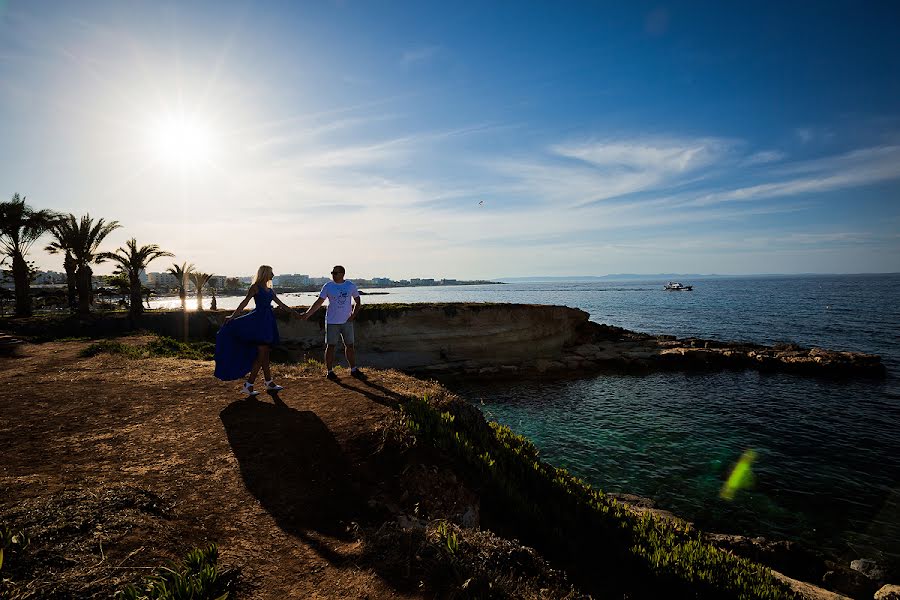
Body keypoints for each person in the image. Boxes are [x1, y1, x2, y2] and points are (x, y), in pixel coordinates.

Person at [214, 265, 293, 395]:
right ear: (265, 273)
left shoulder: (270, 290)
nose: (273, 275)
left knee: (266, 354)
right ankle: (249, 384)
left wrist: (296, 314)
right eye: (271, 273)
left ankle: (269, 383)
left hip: (268, 322)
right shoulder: (255, 287)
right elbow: (245, 302)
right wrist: (233, 316)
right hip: (258, 323)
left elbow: (282, 305)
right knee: (261, 355)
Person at [301, 265, 362, 380]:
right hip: (332, 321)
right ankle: (329, 371)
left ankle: (353, 369)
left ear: (342, 273)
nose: (333, 275)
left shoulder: (350, 286)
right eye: (332, 273)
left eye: (335, 273)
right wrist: (307, 314)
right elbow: (319, 302)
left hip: (346, 321)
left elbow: (358, 301)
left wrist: (353, 315)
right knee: (330, 346)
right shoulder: (328, 286)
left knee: (349, 345)